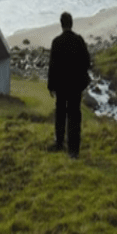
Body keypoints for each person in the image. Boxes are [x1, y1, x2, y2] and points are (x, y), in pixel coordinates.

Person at [47, 12, 91, 158]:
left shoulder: (56, 42)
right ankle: (74, 150)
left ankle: (59, 143)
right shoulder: (78, 40)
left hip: (61, 85)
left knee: (60, 114)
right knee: (74, 115)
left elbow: (52, 66)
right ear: (71, 23)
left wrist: (50, 85)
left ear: (61, 24)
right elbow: (87, 61)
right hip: (75, 85)